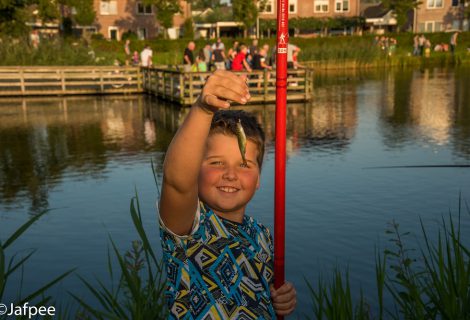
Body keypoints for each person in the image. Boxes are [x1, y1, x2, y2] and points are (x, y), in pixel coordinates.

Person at [159, 70, 297, 319]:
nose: (230, 175)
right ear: (195, 171)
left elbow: (263, 294)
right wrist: (203, 109)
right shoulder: (189, 225)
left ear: (258, 180)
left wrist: (282, 299)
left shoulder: (262, 235)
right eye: (216, 163)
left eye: (244, 165)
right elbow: (177, 181)